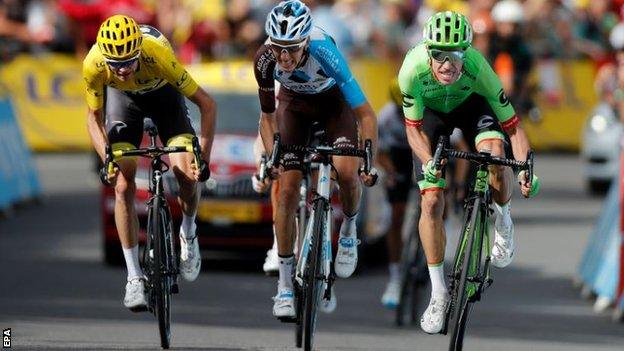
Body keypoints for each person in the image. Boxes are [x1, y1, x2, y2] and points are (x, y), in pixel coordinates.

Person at [398, 11, 540, 334]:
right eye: (440, 56)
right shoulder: (411, 71)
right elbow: (413, 132)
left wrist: (524, 169)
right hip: (432, 117)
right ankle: (438, 292)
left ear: (467, 53)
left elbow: (513, 128)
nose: (448, 64)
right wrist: (429, 162)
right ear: (428, 52)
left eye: (457, 55)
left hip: (473, 107)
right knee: (432, 201)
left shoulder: (479, 69)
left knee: (494, 154)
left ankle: (502, 219)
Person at [253, 0, 378, 319]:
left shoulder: (325, 51)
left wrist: (368, 160)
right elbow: (267, 118)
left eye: (292, 48)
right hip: (293, 105)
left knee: (347, 172)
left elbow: (365, 113)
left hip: (333, 104)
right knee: (286, 189)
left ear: (306, 40)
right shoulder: (265, 59)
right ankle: (283, 285)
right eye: (279, 47)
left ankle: (349, 230)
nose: (284, 57)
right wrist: (272, 156)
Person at [83, 14, 216, 311]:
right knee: (122, 183)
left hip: (164, 97)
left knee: (185, 173)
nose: (123, 70)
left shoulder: (157, 53)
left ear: (139, 51)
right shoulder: (94, 63)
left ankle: (189, 232)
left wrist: (203, 158)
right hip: (123, 104)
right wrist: (107, 158)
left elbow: (207, 104)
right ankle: (133, 277)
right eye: (115, 64)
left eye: (129, 61)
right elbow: (93, 118)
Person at [376, 78, 417, 309]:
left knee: (436, 200)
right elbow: (380, 153)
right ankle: (395, 275)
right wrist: (390, 172)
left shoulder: (429, 108)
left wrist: (452, 184)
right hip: (398, 156)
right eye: (401, 111)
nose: (404, 115)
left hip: (425, 151)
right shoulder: (387, 117)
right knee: (396, 216)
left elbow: (458, 146)